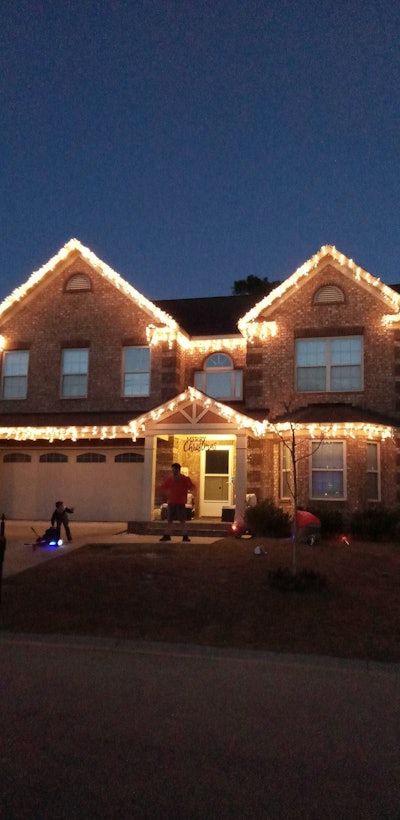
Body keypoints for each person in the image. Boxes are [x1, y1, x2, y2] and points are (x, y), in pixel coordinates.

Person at [157, 463, 195, 542]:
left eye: (174, 469)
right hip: (172, 501)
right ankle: (167, 535)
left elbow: (191, 486)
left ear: (178, 469)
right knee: (169, 519)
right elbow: (164, 486)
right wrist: (159, 487)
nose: (173, 471)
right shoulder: (170, 479)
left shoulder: (184, 479)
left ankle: (185, 535)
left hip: (180, 502)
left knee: (181, 520)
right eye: (173, 469)